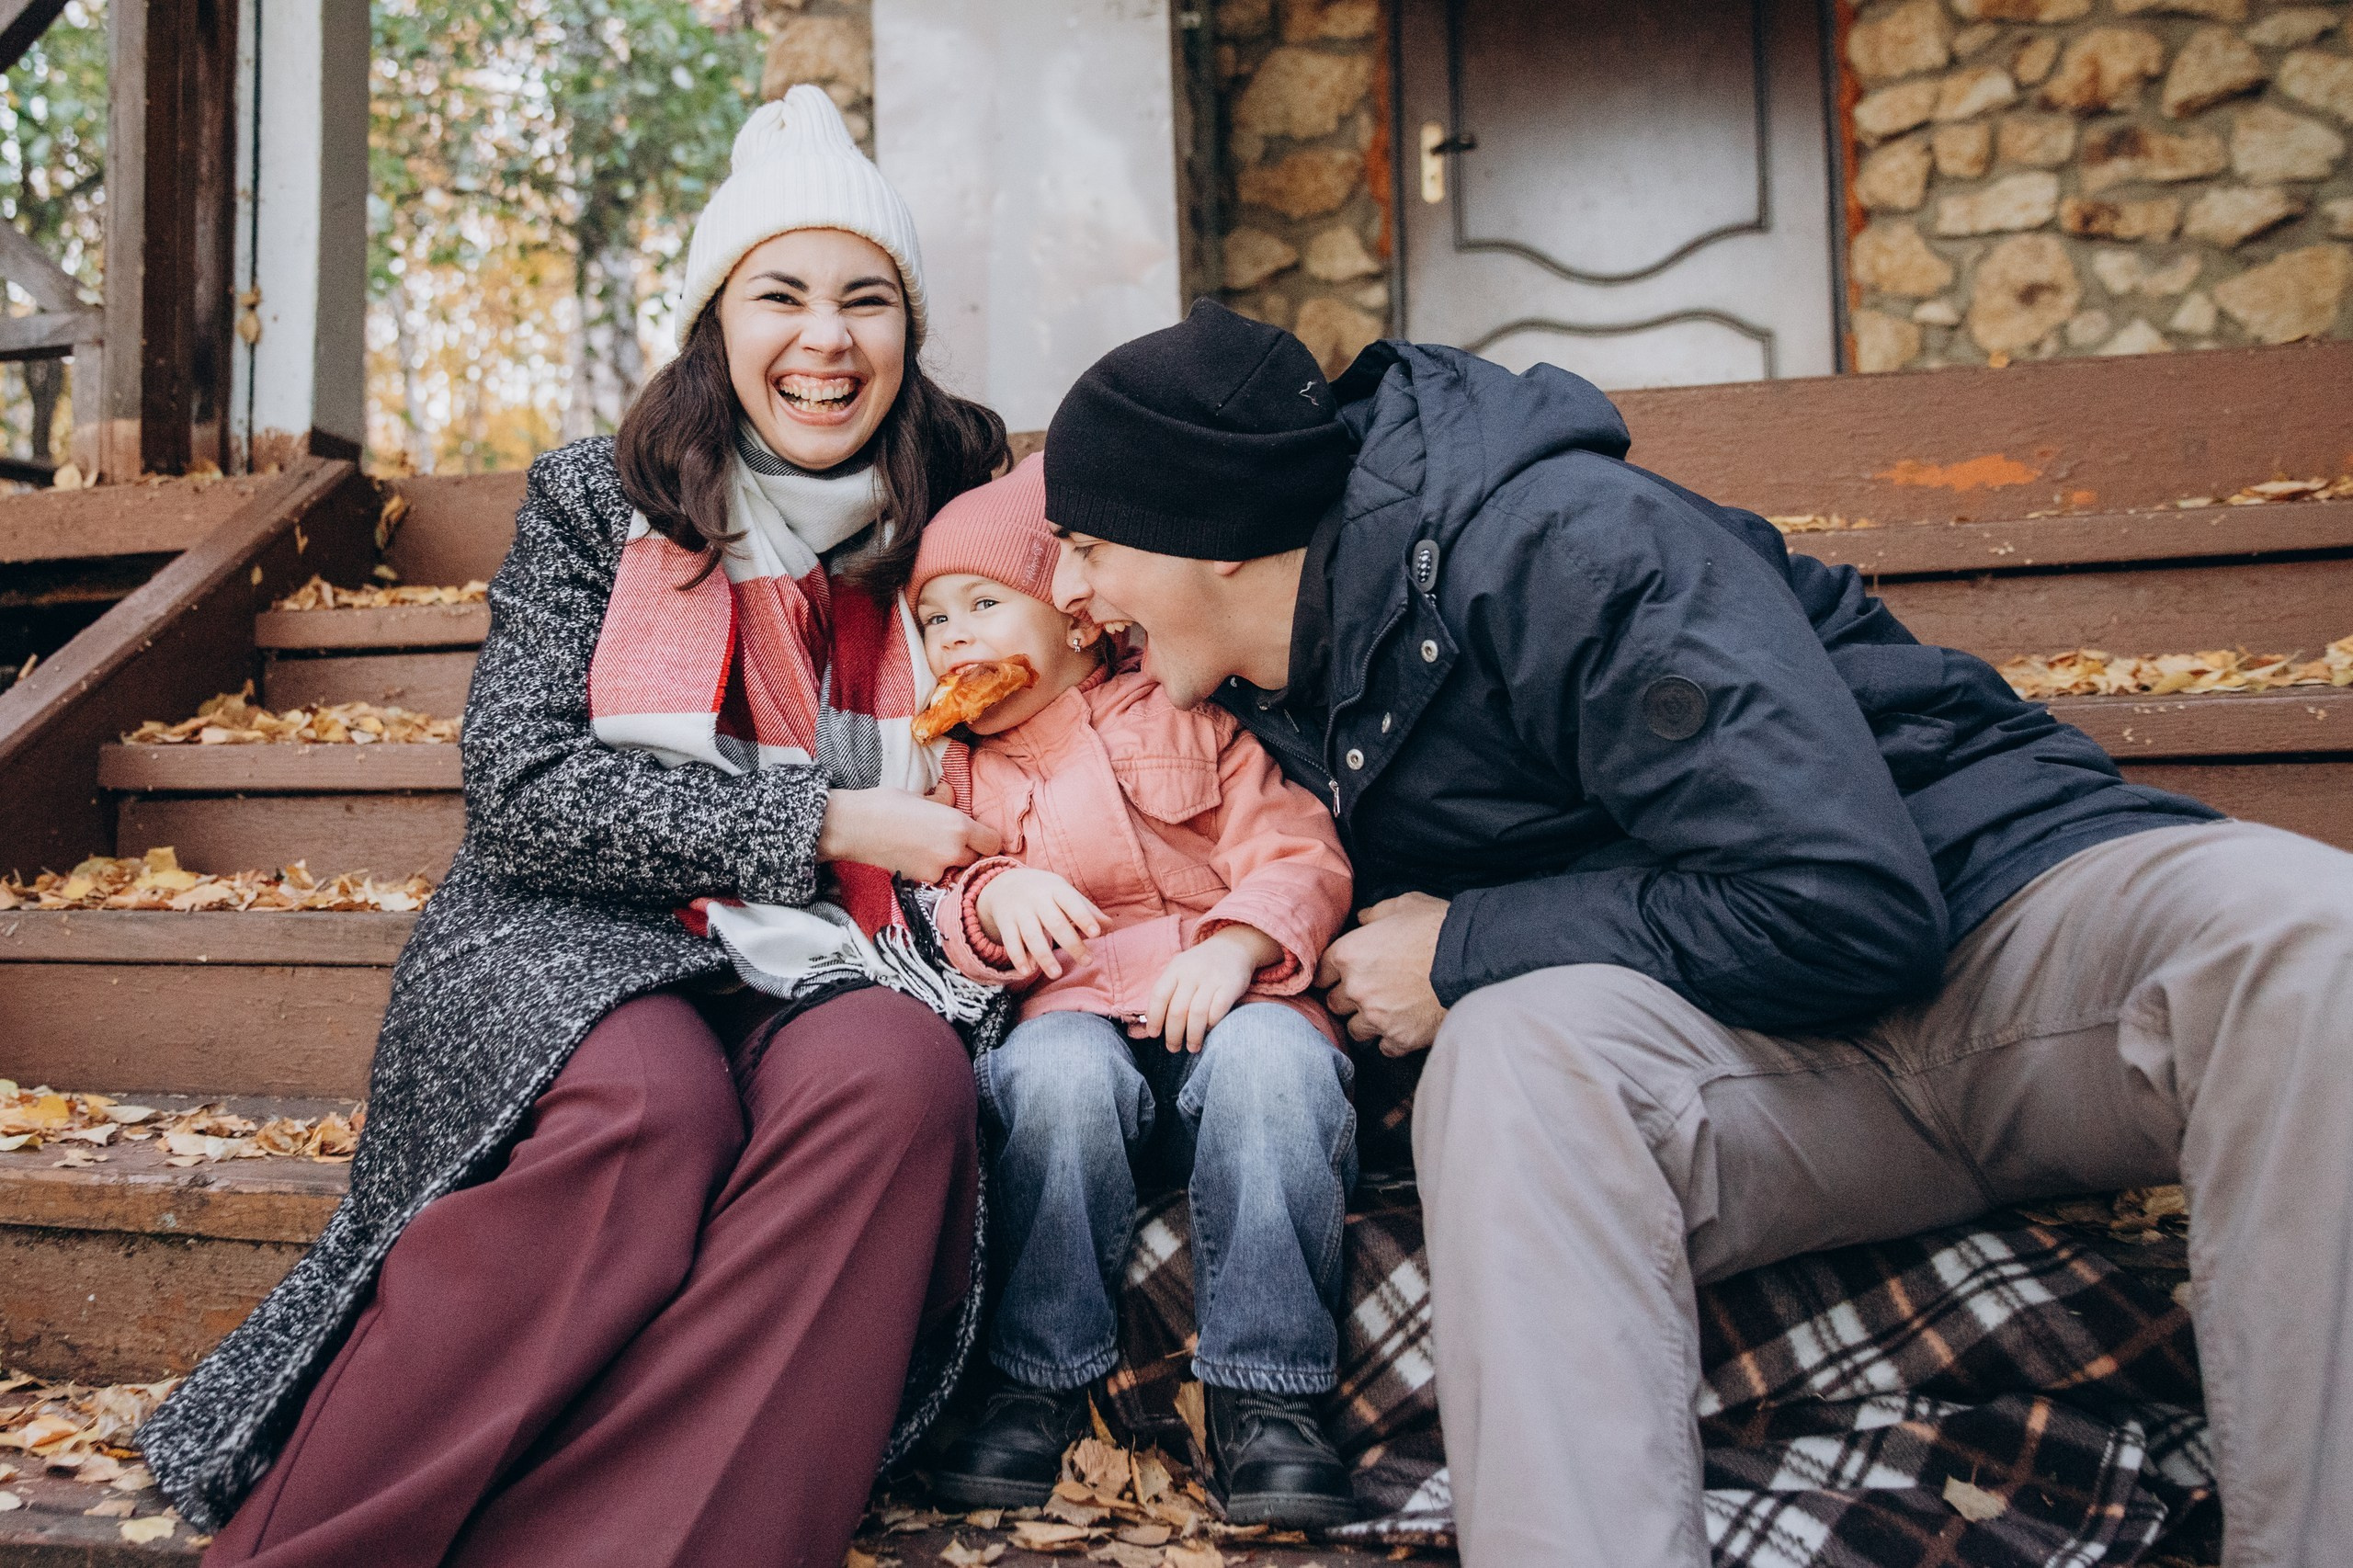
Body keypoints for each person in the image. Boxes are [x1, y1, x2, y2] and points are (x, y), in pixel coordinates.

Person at [1042, 300, 2353, 1567]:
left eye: (1092, 544)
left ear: (1212, 533)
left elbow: (1848, 899)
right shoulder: (1227, 708)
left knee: (2306, 932)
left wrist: (1465, 945)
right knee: (1513, 1059)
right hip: (1746, 1063)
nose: (1071, 587)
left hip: (2001, 920)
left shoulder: (1567, 543)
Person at [142, 86, 1013, 1568]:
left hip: (850, 949)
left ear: (908, 333)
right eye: (781, 295)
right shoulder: (596, 503)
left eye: (867, 299)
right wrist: (824, 818)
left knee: (900, 1079)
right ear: (716, 321)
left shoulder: (968, 517)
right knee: (648, 1115)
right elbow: (529, 790)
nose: (826, 338)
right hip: (575, 930)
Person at [901, 455, 1362, 1528]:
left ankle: (1267, 1394)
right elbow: (938, 898)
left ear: (1080, 620)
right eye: (932, 619)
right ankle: (1032, 1378)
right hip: (1079, 1021)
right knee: (1048, 1078)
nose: (955, 636)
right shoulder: (962, 771)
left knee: (1279, 1065)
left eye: (983, 603)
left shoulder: (1187, 708)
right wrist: (992, 894)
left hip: (1230, 1005)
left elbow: (1298, 848)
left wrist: (1241, 940)